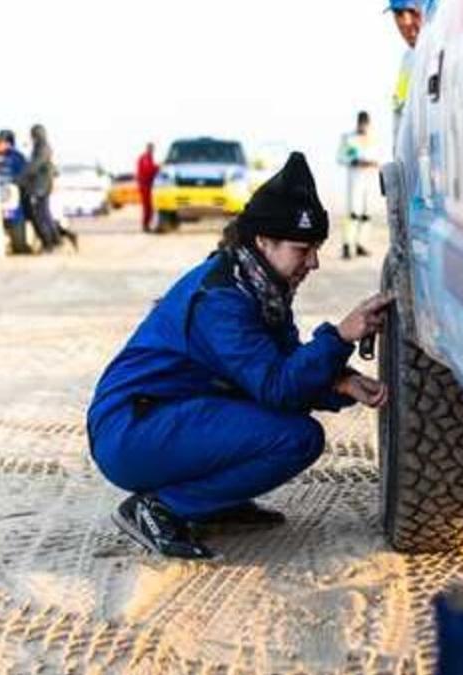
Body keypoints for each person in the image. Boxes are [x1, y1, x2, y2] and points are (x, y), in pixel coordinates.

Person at [86, 152, 392, 560]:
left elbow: (281, 363)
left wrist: (342, 381)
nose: (314, 262)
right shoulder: (223, 301)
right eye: (304, 249)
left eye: (316, 248)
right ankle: (161, 507)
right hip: (132, 429)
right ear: (264, 241)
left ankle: (213, 502)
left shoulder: (255, 283)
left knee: (281, 422)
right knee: (296, 437)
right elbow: (276, 387)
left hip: (164, 414)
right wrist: (339, 336)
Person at [336, 111, 378, 259]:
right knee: (353, 213)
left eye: (365, 123)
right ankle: (347, 245)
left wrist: (373, 163)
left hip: (370, 180)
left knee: (366, 214)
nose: (363, 126)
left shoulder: (374, 139)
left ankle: (361, 244)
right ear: (358, 123)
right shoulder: (349, 139)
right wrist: (355, 161)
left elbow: (379, 158)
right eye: (361, 123)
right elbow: (340, 157)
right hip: (355, 179)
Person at [16, 125, 61, 252]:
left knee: (41, 215)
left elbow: (35, 165)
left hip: (40, 185)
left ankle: (49, 243)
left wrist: (20, 178)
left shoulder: (42, 147)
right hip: (42, 184)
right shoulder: (42, 146)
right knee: (45, 213)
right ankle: (56, 239)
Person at [387, 0, 424, 145]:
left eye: (413, 11)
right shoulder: (407, 62)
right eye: (398, 13)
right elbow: (399, 112)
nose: (406, 22)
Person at [0, 130, 32, 254]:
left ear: (8, 143)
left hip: (11, 195)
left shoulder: (17, 157)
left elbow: (24, 176)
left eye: (0, 143)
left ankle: (19, 245)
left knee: (15, 218)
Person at [136, 143, 159, 232]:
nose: (152, 150)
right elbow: (148, 170)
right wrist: (157, 168)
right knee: (147, 207)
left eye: (153, 149)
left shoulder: (149, 158)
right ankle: (145, 226)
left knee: (150, 207)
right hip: (144, 185)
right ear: (148, 148)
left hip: (148, 185)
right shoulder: (145, 158)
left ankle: (147, 225)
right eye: (151, 149)